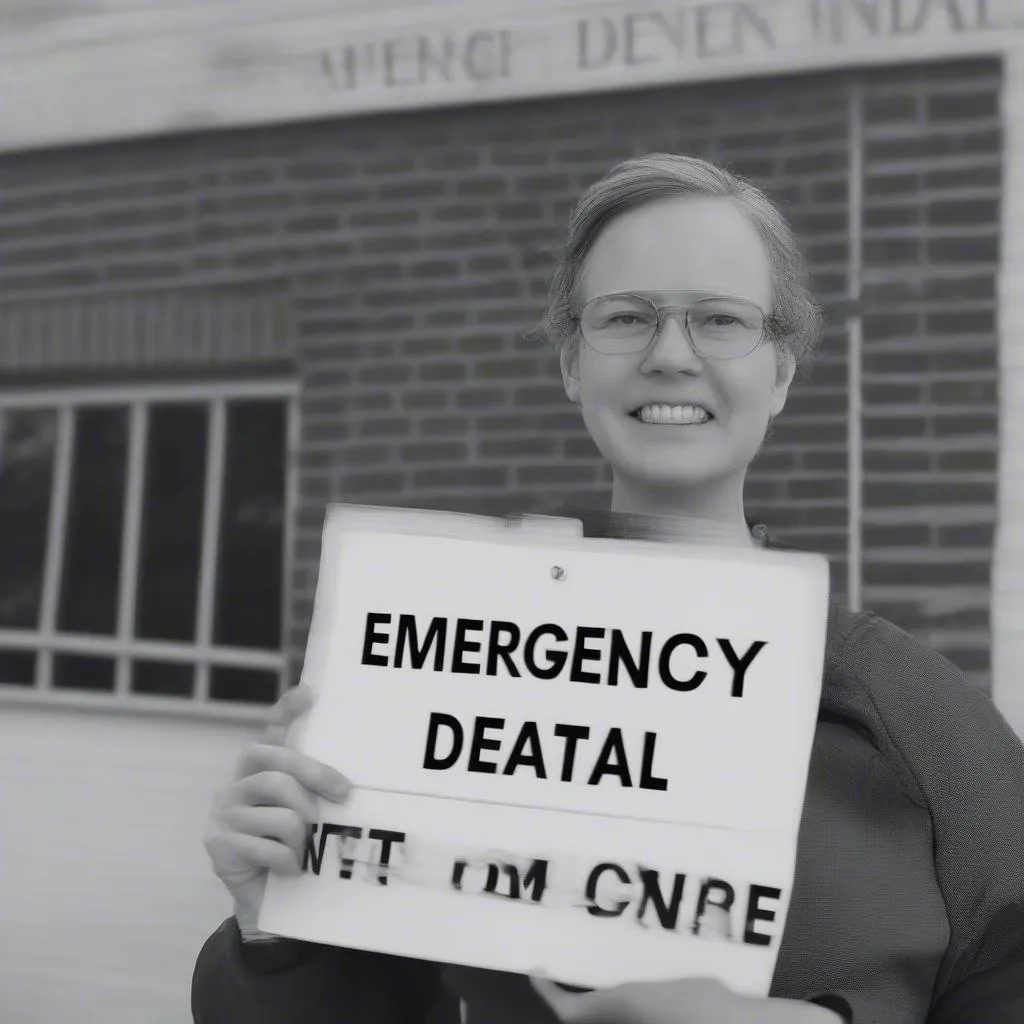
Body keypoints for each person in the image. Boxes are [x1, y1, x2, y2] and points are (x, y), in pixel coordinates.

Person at [191, 154, 1024, 1023]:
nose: (672, 354)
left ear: (780, 372)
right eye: (626, 317)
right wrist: (276, 934)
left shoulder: (913, 712)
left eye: (720, 319)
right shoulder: (426, 678)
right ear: (571, 362)